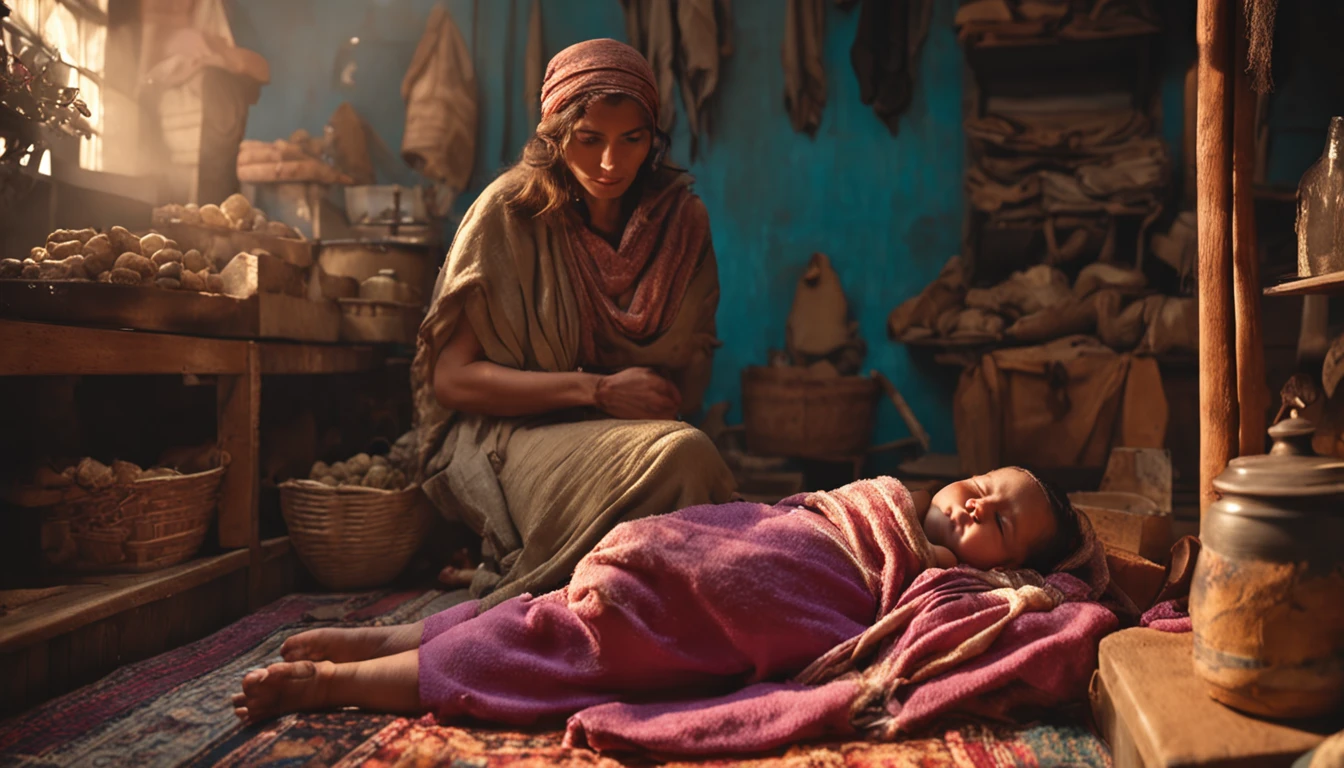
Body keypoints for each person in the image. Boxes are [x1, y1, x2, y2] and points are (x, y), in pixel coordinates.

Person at [232, 468, 1105, 734]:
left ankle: (331, 684)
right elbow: (773, 522)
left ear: (1005, 566)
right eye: (985, 484)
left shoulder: (943, 589)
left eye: (1005, 522)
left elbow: (1042, 610)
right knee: (531, 607)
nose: (979, 506)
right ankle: (371, 638)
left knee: (534, 643)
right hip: (699, 542)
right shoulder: (880, 498)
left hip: (697, 610)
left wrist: (1053, 585)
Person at [409, 38, 735, 609]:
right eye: (589, 140)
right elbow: (452, 381)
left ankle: (622, 597)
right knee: (684, 459)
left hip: (631, 433)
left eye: (631, 140)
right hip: (509, 436)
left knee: (685, 458)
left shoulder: (680, 224)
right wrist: (600, 390)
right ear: (556, 135)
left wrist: (647, 398)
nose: (610, 163)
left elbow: (686, 375)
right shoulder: (510, 214)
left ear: (652, 138)